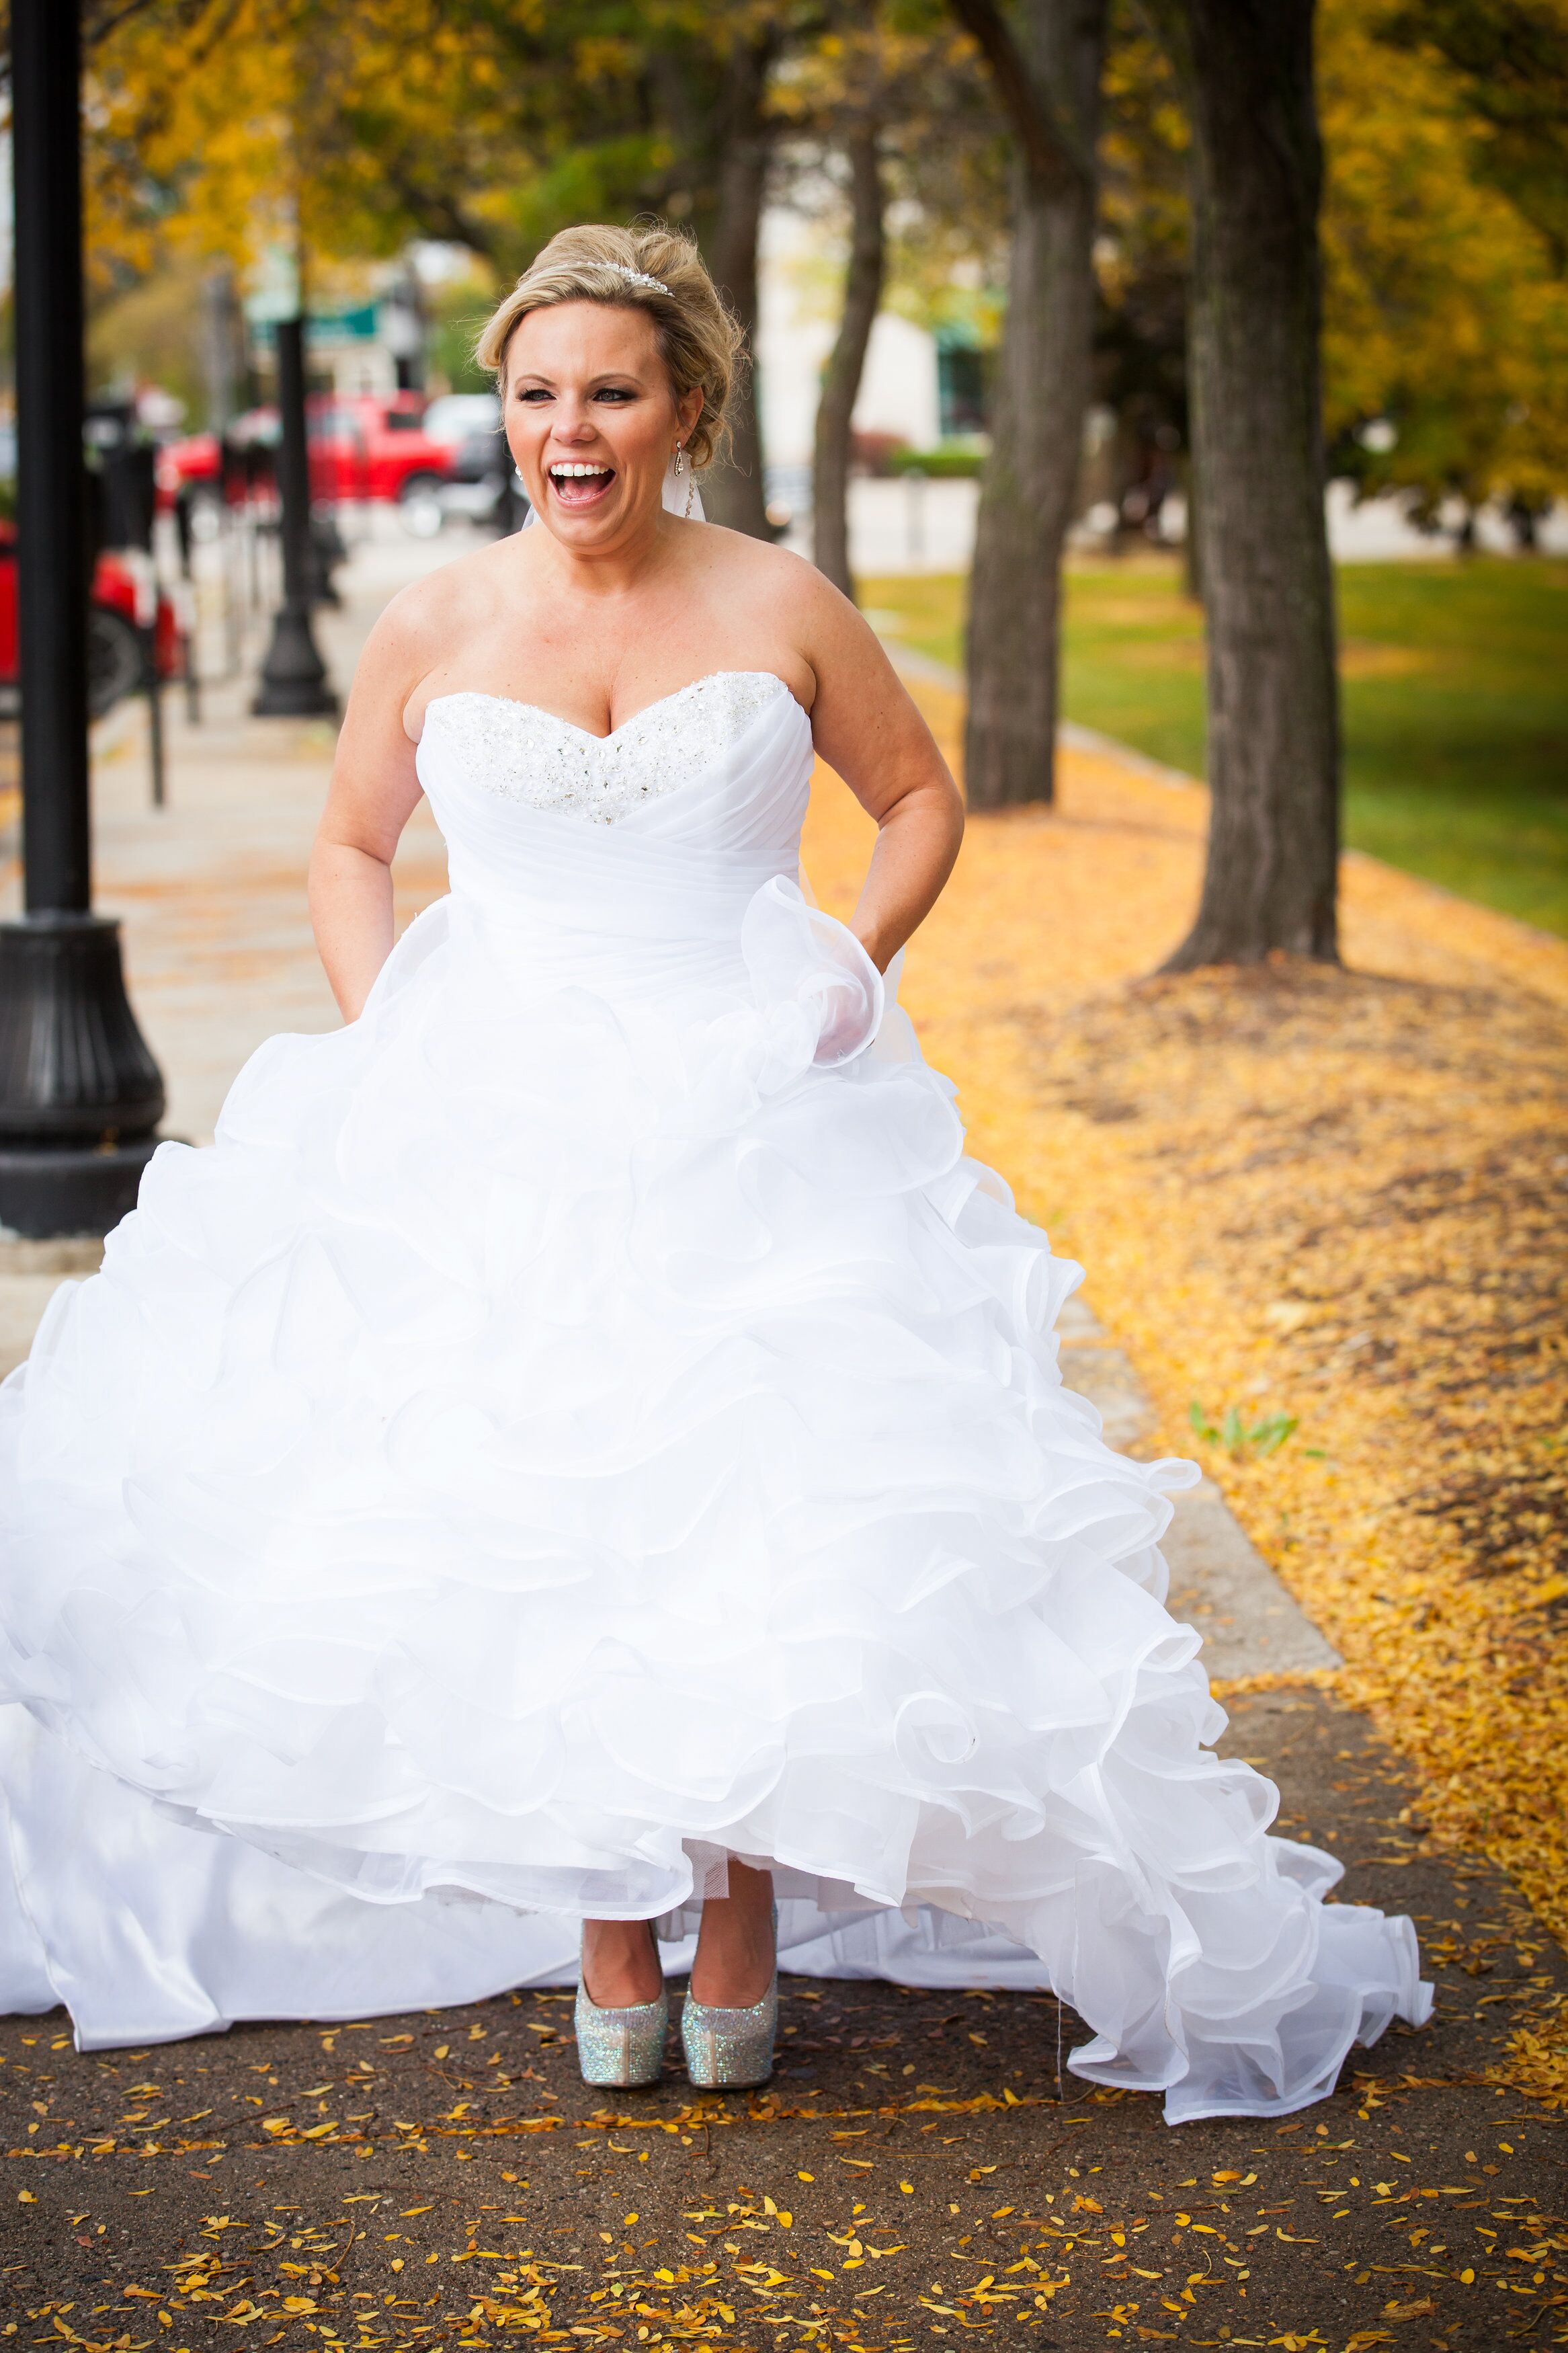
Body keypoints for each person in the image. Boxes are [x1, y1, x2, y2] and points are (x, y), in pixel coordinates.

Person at [0, 225, 1429, 2118]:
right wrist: (390, 1026)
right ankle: (611, 1925)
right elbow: (354, 846)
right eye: (534, 394)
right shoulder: (432, 623)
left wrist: (850, 960)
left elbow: (919, 799)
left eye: (608, 391)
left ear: (685, 409)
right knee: (543, 1501)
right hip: (496, 1102)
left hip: (759, 1098)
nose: (566, 429)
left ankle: (737, 1902)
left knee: (749, 1504)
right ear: (501, 413)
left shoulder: (785, 601)